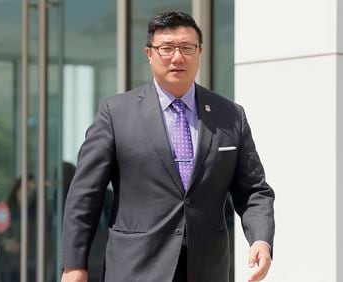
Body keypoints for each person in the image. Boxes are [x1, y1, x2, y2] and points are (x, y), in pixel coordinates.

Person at [61, 11, 275, 282]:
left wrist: (261, 240)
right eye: (166, 48)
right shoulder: (116, 113)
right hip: (136, 267)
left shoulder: (230, 115)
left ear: (200, 52)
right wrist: (74, 265)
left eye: (187, 48)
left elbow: (254, 190)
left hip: (207, 268)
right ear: (149, 53)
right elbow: (85, 194)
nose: (177, 57)